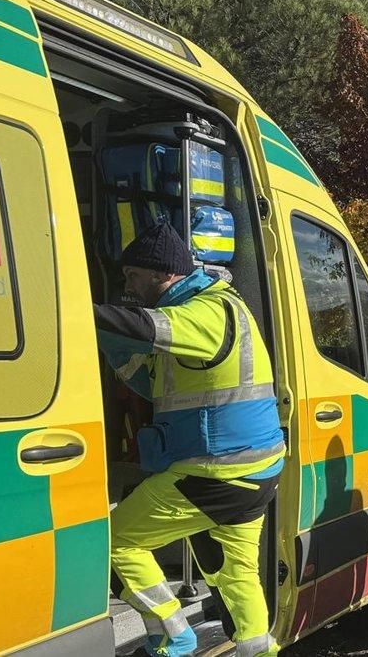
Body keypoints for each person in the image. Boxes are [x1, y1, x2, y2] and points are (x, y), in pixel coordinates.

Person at [94, 221, 286, 657]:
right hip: (252, 470)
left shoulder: (205, 313)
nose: (128, 286)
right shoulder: (213, 310)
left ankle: (173, 636)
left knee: (115, 543)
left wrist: (69, 310)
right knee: (234, 574)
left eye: (133, 276)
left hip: (218, 471)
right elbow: (150, 381)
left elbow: (144, 326)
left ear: (162, 273)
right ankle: (259, 651)